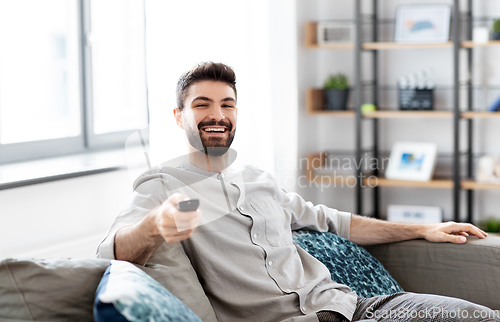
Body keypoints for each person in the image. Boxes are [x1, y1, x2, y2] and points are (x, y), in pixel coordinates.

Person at [97, 62, 498, 322]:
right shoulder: (162, 185)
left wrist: (422, 229)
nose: (217, 115)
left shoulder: (259, 179)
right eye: (202, 105)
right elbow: (108, 253)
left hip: (354, 306)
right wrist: (155, 226)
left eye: (227, 105)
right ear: (178, 116)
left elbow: (337, 222)